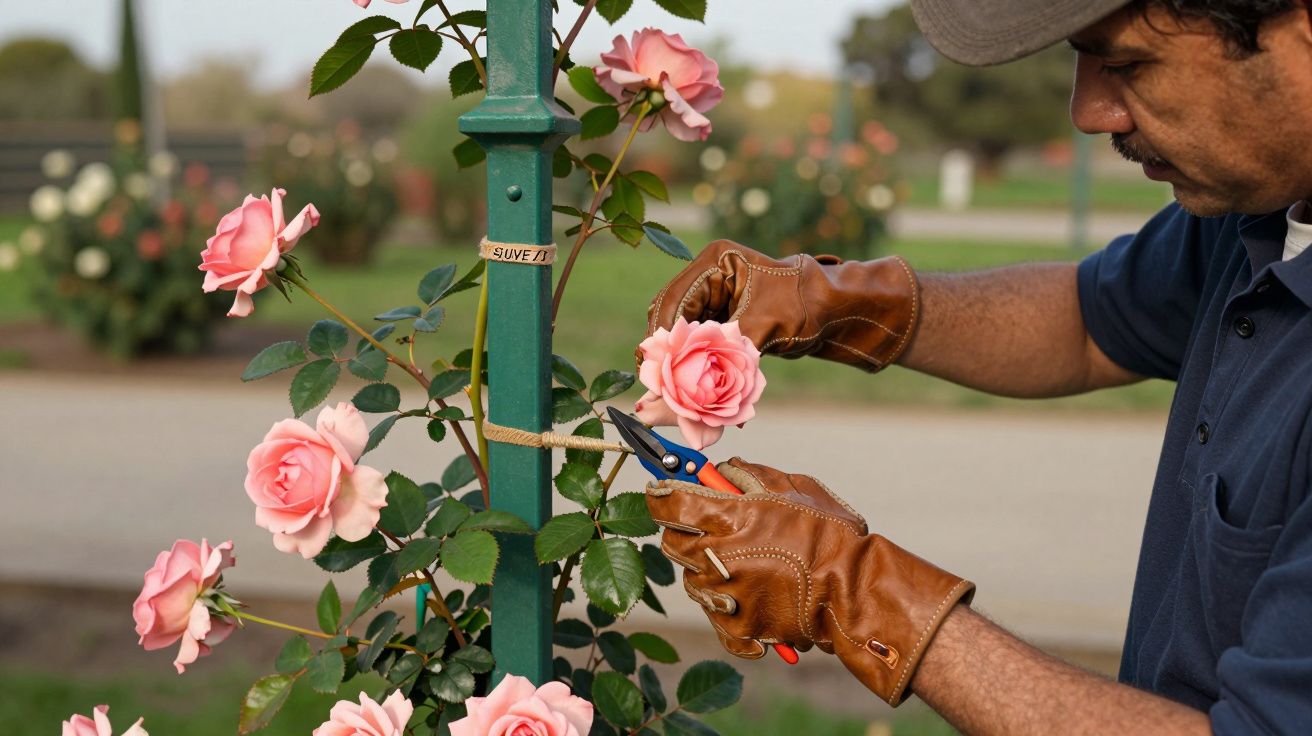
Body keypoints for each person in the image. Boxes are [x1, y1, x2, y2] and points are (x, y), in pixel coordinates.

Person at [641, 1, 1312, 732]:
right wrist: (838, 302)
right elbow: (1089, 323)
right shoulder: (1264, 210)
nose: (1090, 111)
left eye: (1127, 63)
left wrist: (858, 591)